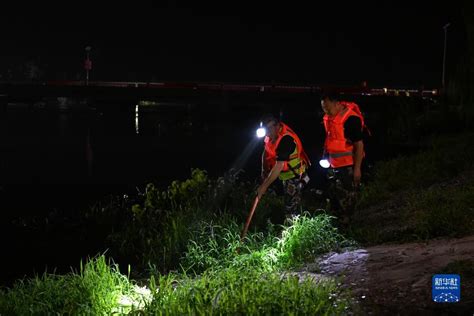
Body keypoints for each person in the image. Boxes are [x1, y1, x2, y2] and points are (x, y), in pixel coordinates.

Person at [320, 92, 368, 222]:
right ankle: (339, 225)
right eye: (323, 108)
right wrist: (325, 155)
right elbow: (330, 138)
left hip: (348, 166)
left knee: (348, 199)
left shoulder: (351, 119)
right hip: (333, 165)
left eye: (328, 108)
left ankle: (350, 227)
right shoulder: (329, 118)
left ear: (337, 104)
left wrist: (357, 169)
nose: (326, 111)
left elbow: (359, 144)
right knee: (334, 197)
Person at [256, 115, 310, 215]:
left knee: (290, 207)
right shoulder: (270, 135)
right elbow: (266, 150)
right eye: (265, 129)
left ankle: (293, 228)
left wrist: (264, 186)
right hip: (282, 175)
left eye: (268, 129)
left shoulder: (286, 139)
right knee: (285, 200)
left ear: (277, 126)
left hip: (294, 175)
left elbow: (279, 165)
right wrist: (264, 169)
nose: (266, 133)